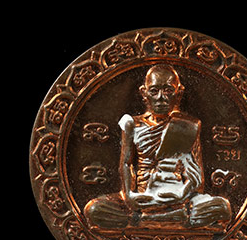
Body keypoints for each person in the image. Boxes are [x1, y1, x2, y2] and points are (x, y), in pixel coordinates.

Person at [84, 65, 231, 230]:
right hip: (142, 198)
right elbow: (126, 163)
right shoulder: (132, 124)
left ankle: (143, 219)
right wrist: (130, 196)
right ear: (144, 93)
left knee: (223, 208)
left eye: (168, 91)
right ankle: (169, 218)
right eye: (154, 91)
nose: (161, 97)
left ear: (179, 93)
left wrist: (181, 194)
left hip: (177, 198)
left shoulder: (188, 125)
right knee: (94, 209)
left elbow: (197, 177)